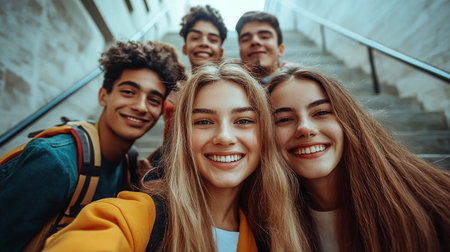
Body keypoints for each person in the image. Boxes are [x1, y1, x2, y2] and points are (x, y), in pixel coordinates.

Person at [42, 62, 310, 251]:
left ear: (264, 135)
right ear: (182, 137)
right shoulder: (131, 217)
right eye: (204, 122)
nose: (225, 137)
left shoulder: (271, 231)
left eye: (243, 121)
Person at [0, 40, 186, 252]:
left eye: (153, 100)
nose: (140, 106)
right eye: (128, 92)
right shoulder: (54, 161)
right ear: (103, 96)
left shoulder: (129, 164)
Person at [267, 66, 450, 252]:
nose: (305, 128)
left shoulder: (437, 200)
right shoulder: (263, 224)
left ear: (349, 120)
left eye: (321, 112)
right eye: (283, 119)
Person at [141, 5, 228, 178]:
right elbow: (171, 139)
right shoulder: (174, 87)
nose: (204, 43)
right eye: (196, 37)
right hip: (167, 168)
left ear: (221, 51)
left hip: (203, 169)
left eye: (212, 39)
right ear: (185, 48)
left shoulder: (227, 89)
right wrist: (152, 161)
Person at [235, 11, 286, 84]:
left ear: (281, 50)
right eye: (246, 39)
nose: (254, 41)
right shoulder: (228, 88)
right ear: (240, 52)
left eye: (264, 37)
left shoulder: (299, 83)